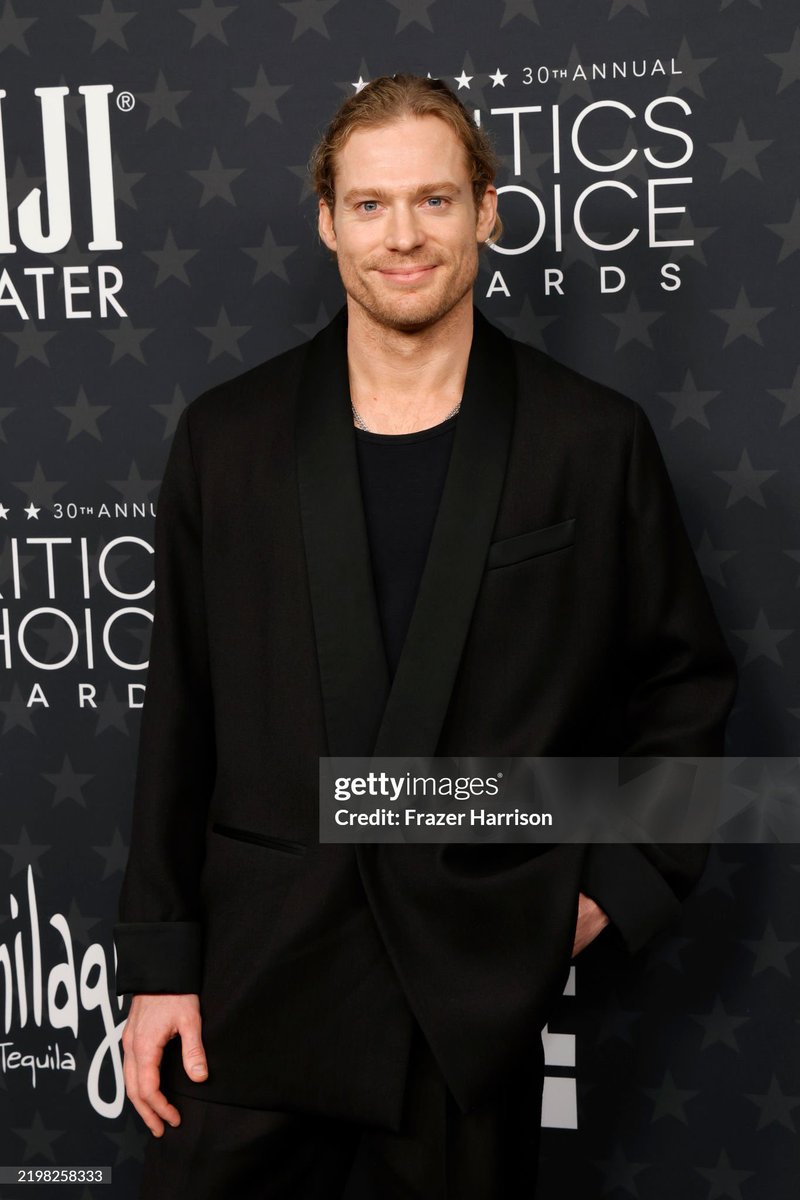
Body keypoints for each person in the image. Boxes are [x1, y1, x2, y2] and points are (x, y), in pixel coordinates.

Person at [113, 75, 738, 1199]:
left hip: (468, 998)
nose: (402, 236)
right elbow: (181, 712)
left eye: (435, 200)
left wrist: (612, 887)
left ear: (487, 210)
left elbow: (684, 687)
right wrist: (160, 963)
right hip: (258, 985)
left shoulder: (588, 441)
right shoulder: (228, 439)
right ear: (325, 220)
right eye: (369, 205)